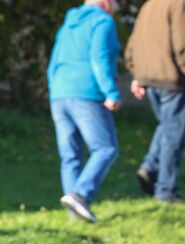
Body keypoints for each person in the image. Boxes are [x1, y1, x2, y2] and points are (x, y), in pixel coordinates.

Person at [46, 0, 123, 224]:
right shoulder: (102, 21)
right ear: (106, 2)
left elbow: (54, 60)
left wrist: (54, 89)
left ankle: (76, 217)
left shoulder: (69, 21)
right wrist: (111, 92)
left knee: (70, 156)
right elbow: (100, 57)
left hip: (60, 94)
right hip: (87, 93)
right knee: (106, 148)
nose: (117, 7)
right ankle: (80, 194)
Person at [125, 0, 185, 203]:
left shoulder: (149, 5)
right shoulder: (180, 3)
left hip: (149, 77)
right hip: (171, 78)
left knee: (167, 127)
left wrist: (137, 73)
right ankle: (165, 190)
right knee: (174, 136)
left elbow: (134, 42)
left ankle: (150, 167)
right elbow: (184, 41)